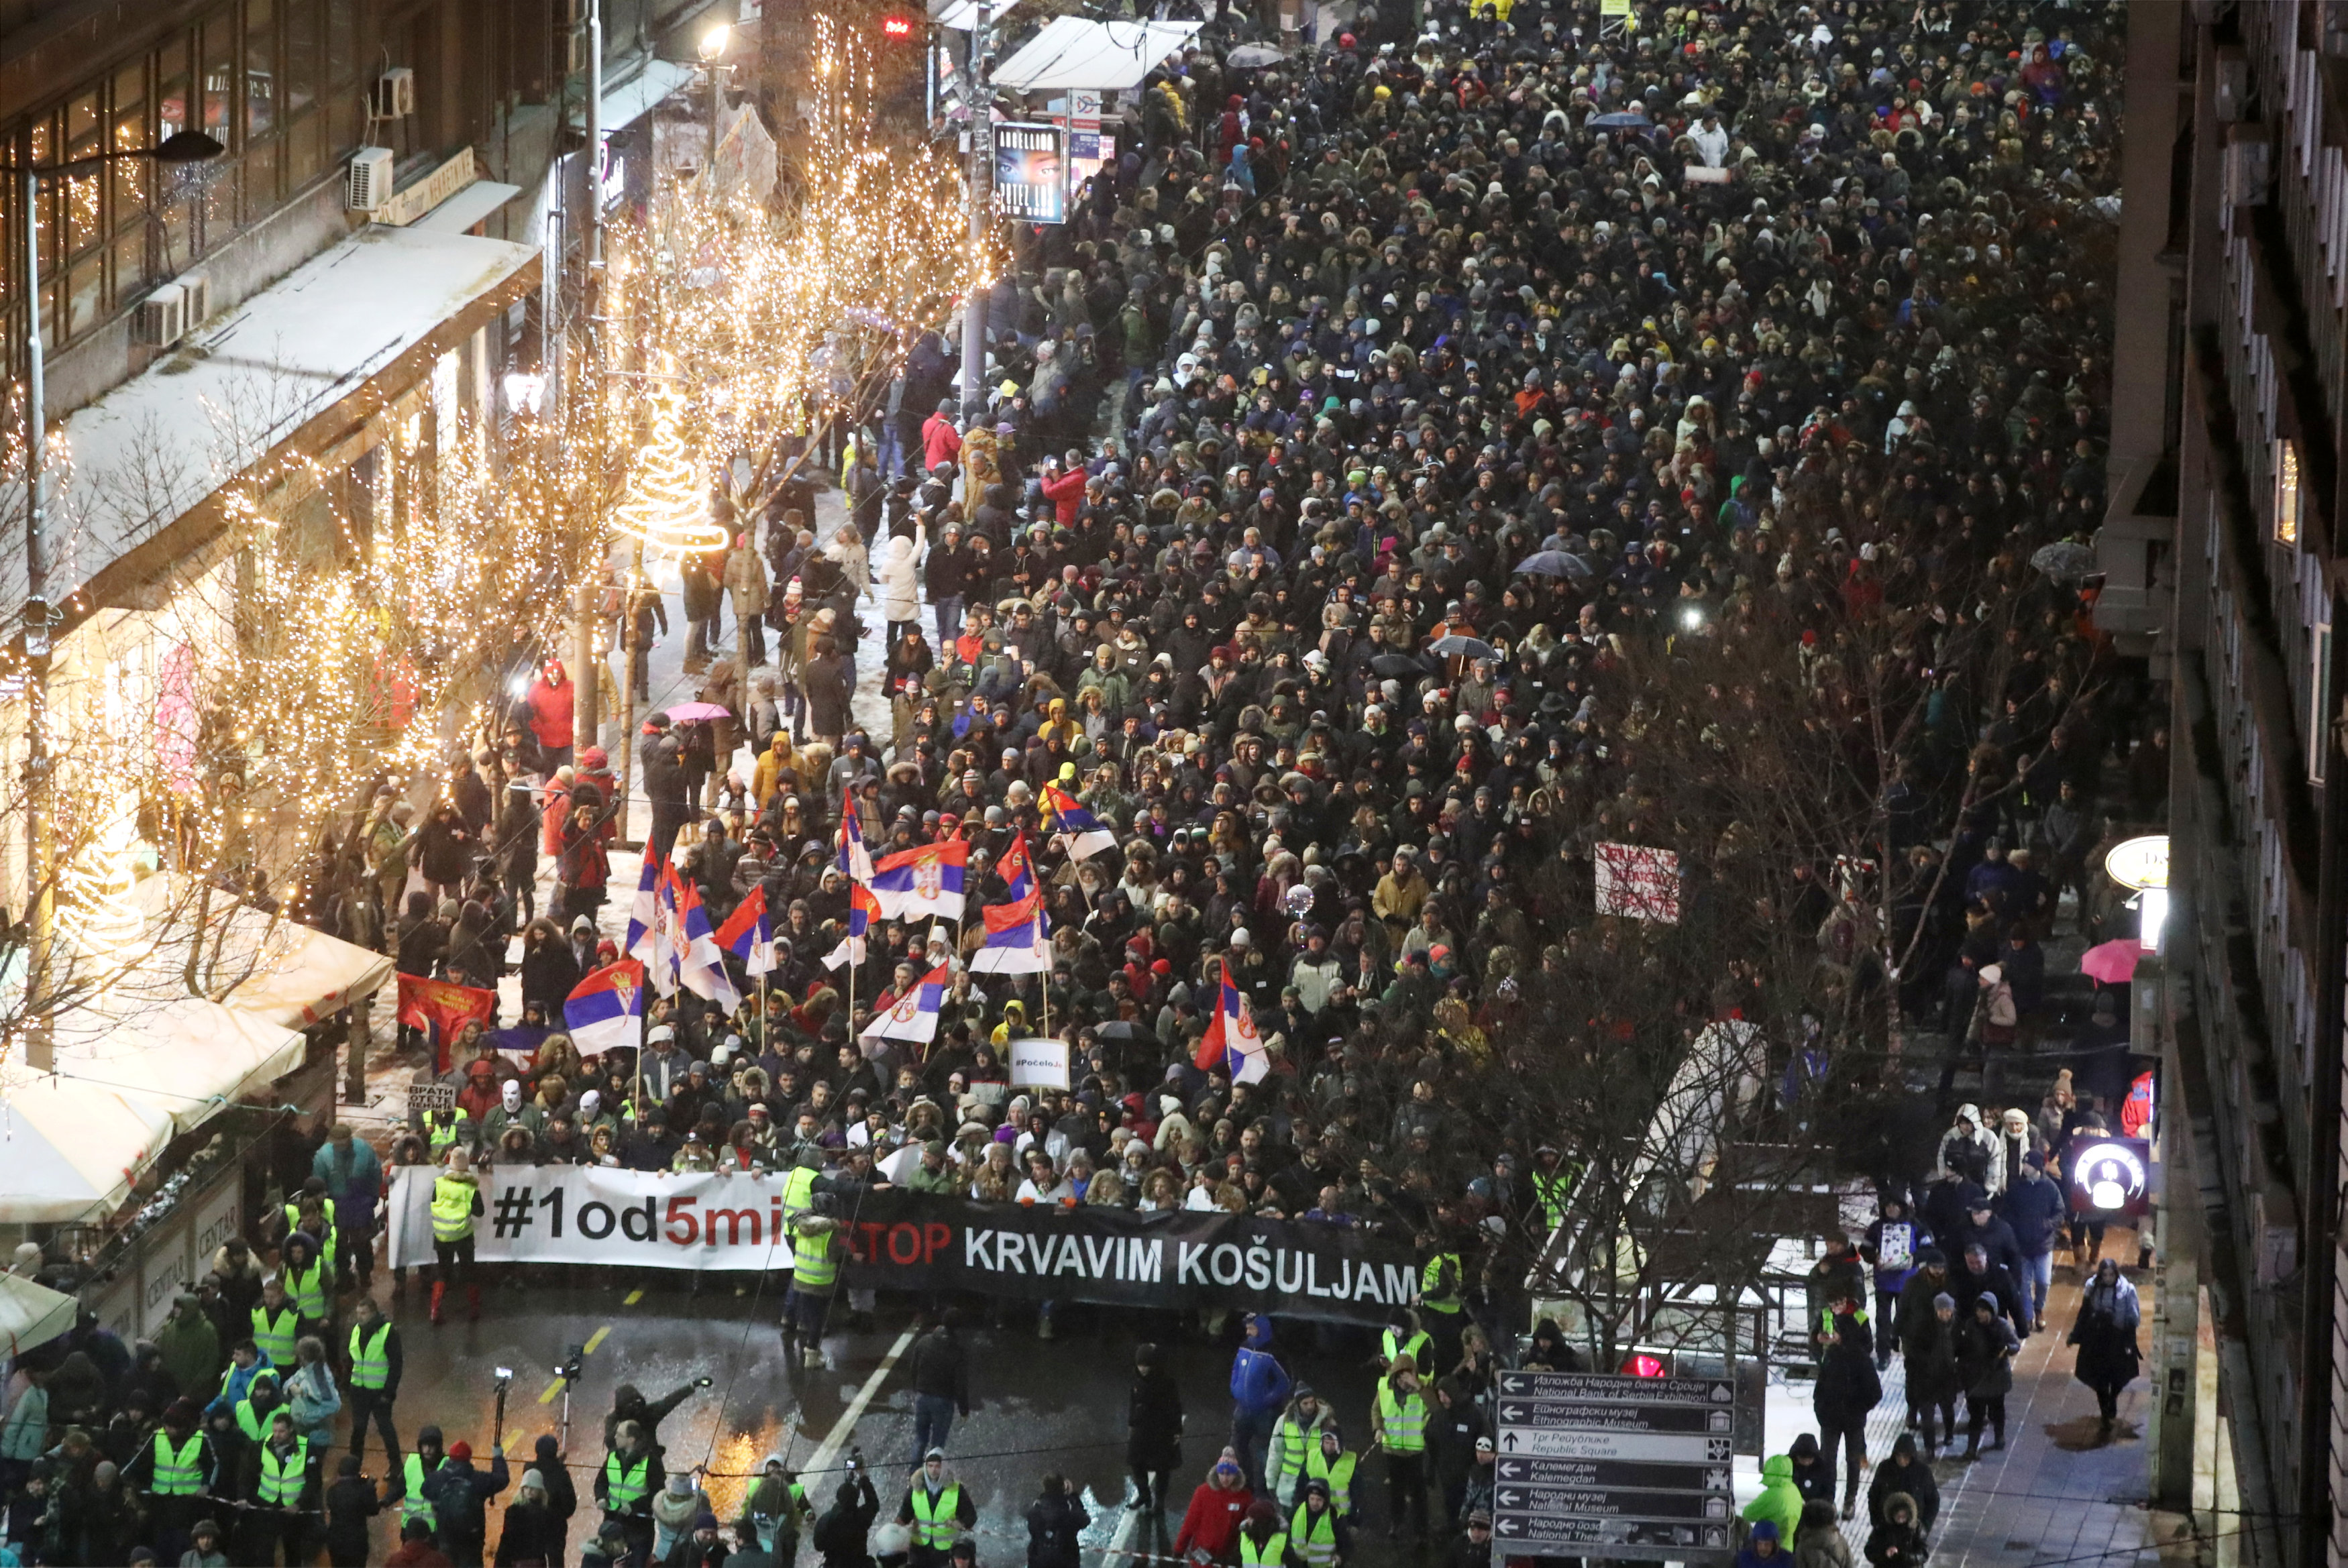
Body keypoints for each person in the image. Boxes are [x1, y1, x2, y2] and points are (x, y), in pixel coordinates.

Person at [1812, 1315, 1882, 1517]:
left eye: (1837, 1330)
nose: (1834, 1334)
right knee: (1828, 1461)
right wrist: (1821, 1410)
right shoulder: (1831, 1356)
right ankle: (1829, 1500)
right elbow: (1821, 1387)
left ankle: (1849, 1501)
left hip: (1852, 1421)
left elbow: (1875, 1392)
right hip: (1831, 1419)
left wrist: (1859, 1408)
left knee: (1853, 1461)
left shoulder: (1861, 1359)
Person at [2070, 1257, 2143, 1437]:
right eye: (2105, 1275)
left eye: (2111, 1275)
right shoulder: (2092, 1287)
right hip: (2098, 1339)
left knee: (2119, 1375)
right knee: (2100, 1378)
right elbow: (2085, 1312)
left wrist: (2128, 1337)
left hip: (2117, 1340)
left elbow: (2133, 1317)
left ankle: (2113, 1398)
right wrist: (2076, 1334)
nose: (2108, 1278)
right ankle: (2105, 1413)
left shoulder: (2127, 1290)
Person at [1228, 1312, 1291, 1494]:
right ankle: (1246, 1483)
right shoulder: (1244, 1346)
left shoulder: (1275, 1353)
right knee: (1239, 1446)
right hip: (1242, 1409)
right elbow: (1236, 1369)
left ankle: (1263, 1489)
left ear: (1262, 1329)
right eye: (1247, 1328)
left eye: (1252, 1328)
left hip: (1265, 1412)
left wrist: (1266, 1400)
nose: (1248, 1332)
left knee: (1264, 1452)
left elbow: (1285, 1382)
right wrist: (1235, 1388)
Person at [1371, 1357, 1430, 1542]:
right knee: (1396, 1491)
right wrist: (1378, 1428)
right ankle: (1396, 1523)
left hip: (1415, 1451)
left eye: (1410, 1375)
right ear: (1396, 1376)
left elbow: (1435, 1407)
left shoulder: (1424, 1388)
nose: (1406, 1381)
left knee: (1418, 1493)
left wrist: (1418, 1386)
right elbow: (1376, 1410)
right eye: (1402, 1376)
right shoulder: (1384, 1389)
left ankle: (1421, 1530)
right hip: (1392, 1449)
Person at [1956, 1294, 2021, 1457]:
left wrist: (2007, 1349)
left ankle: (1999, 1436)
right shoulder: (1971, 1325)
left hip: (1996, 1377)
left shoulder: (2002, 1326)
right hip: (1977, 1376)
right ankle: (1972, 1448)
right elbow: (1965, 1347)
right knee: (1976, 1416)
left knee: (1997, 1411)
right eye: (1978, 1310)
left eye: (1984, 1311)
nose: (1980, 1314)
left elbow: (2015, 1345)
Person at [1126, 1341, 1183, 1514]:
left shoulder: (1166, 1383)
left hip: (1161, 1432)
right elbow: (1133, 1403)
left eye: (1146, 1365)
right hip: (1141, 1430)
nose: (1142, 1369)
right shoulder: (1136, 1381)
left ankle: (1159, 1502)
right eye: (1140, 1365)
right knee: (1137, 1464)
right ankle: (1144, 1495)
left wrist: (1177, 1429)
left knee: (1162, 1469)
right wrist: (1131, 1423)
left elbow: (1175, 1407)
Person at [429, 1146, 484, 1325]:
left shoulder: (440, 1183)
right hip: (463, 1236)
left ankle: (435, 1309)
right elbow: (480, 1212)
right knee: (469, 1271)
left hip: (441, 1235)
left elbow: (433, 1201)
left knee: (443, 1272)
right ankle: (474, 1309)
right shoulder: (471, 1188)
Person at [896, 1448, 976, 1568]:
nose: (933, 1470)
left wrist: (961, 1523)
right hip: (919, 1549)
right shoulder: (915, 1488)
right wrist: (895, 1527)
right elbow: (905, 1514)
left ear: (944, 1467)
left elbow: (971, 1516)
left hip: (946, 1550)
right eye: (930, 1466)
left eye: (938, 1467)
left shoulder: (956, 1489)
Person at [910, 1310, 973, 1460]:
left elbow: (913, 1368)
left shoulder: (924, 1342)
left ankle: (914, 1475)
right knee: (937, 1444)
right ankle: (933, 1476)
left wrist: (917, 1389)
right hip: (943, 1401)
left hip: (922, 1396)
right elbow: (960, 1383)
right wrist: (964, 1409)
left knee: (920, 1439)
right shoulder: (957, 1351)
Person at [1173, 1450, 1253, 1563]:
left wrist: (1239, 1554)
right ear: (1217, 1473)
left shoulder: (1245, 1497)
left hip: (1227, 1557)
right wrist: (1179, 1550)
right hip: (1202, 1555)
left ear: (1236, 1475)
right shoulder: (1203, 1492)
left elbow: (1248, 1528)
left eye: (1229, 1474)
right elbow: (1190, 1523)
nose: (1225, 1478)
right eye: (1222, 1473)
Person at [1866, 1435, 1939, 1534]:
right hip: (1887, 1527)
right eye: (1898, 1456)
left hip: (1913, 1529)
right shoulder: (1885, 1469)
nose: (1901, 1460)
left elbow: (1933, 1500)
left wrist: (1925, 1526)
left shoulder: (1923, 1472)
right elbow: (1874, 1495)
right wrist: (1876, 1523)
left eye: (1905, 1456)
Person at [811, 1467, 881, 1568]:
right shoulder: (861, 1517)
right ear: (857, 1498)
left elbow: (818, 1546)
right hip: (860, 1564)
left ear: (838, 1498)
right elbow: (873, 1503)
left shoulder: (825, 1520)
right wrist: (863, 1477)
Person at [324, 1453, 384, 1568]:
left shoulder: (332, 1491)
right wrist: (371, 1487)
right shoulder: (364, 1490)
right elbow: (373, 1510)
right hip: (357, 1542)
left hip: (336, 1540)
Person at [1024, 1471, 1089, 1568]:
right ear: (1063, 1487)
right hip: (1066, 1561)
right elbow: (1085, 1520)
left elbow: (1033, 1531)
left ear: (1045, 1487)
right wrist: (1073, 1497)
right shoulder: (1069, 1509)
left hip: (1039, 1562)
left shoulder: (1036, 1510)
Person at [1742, 1453, 1803, 1549]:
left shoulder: (1773, 1495)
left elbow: (1747, 1514)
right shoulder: (1793, 1490)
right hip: (1788, 1546)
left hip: (1767, 1548)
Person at [1863, 1492, 1929, 1567]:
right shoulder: (1882, 1528)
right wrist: (1885, 1554)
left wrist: (1904, 1556)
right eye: (1898, 1516)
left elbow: (1923, 1554)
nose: (1901, 1519)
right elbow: (1870, 1550)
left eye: (1903, 1516)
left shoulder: (1917, 1528)